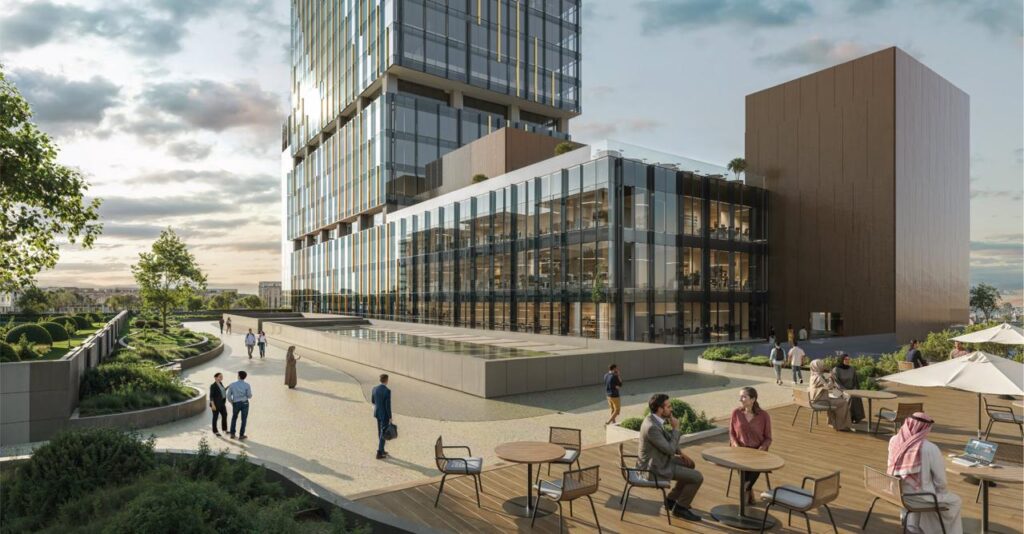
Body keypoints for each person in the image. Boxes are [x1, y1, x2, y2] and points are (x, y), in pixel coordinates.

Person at [887, 412, 963, 534]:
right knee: (955, 501)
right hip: (917, 497)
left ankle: (913, 527)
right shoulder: (929, 448)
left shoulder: (894, 440)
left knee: (924, 491)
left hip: (895, 491)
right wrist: (941, 492)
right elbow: (941, 480)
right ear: (925, 428)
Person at [637, 393, 704, 522]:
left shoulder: (653, 419)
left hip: (659, 460)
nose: (671, 409)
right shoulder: (651, 427)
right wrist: (676, 429)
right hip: (654, 469)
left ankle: (671, 500)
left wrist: (681, 452)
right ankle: (680, 509)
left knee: (690, 464)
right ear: (660, 409)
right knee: (697, 477)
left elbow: (666, 440)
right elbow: (669, 449)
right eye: (668, 406)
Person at [729, 387, 772, 505]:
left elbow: (768, 438)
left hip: (758, 452)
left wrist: (761, 449)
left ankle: (746, 490)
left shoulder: (764, 416)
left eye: (744, 396)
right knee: (743, 467)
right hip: (740, 451)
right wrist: (736, 445)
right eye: (740, 396)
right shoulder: (736, 413)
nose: (740, 399)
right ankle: (747, 491)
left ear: (753, 399)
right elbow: (732, 433)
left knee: (752, 469)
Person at [808, 359, 851, 431]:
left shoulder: (813, 376)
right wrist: (831, 377)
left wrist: (828, 379)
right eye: (822, 365)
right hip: (821, 401)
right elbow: (829, 387)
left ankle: (833, 423)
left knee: (836, 400)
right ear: (818, 366)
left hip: (814, 400)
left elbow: (823, 385)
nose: (823, 366)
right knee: (843, 402)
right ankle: (842, 426)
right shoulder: (818, 377)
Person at [831, 354, 865, 423]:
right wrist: (846, 391)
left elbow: (855, 381)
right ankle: (849, 417)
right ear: (841, 360)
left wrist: (855, 389)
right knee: (850, 397)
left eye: (848, 359)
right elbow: (837, 383)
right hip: (840, 390)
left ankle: (857, 417)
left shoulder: (851, 369)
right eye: (846, 359)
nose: (848, 361)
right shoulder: (836, 369)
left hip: (851, 389)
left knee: (856, 396)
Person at [227, 371, 252, 439]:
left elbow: (228, 396)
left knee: (234, 418)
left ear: (238, 376)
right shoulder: (247, 385)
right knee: (244, 419)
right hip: (245, 403)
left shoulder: (232, 384)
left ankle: (232, 434)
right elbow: (249, 396)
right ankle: (241, 435)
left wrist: (232, 402)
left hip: (236, 403)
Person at [371, 374, 392, 460]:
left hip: (377, 413)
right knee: (383, 433)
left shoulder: (374, 389)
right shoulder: (387, 391)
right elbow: (388, 406)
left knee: (380, 432)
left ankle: (382, 449)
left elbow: (373, 401)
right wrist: (390, 417)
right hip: (384, 415)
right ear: (386, 380)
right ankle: (379, 452)